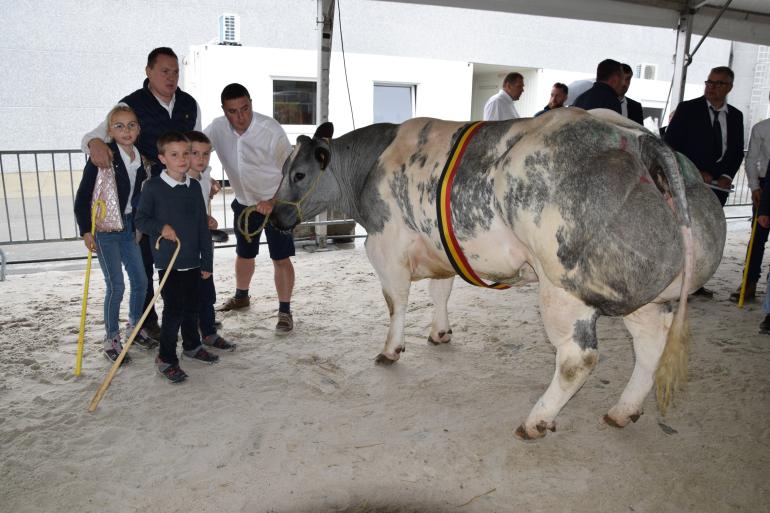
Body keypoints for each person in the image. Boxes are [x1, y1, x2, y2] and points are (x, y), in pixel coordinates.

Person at [81, 47, 202, 341]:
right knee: (144, 265)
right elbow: (93, 137)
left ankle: (188, 317)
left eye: (175, 71)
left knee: (184, 257)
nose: (171, 77)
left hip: (182, 193)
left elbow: (197, 149)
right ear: (148, 71)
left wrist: (201, 190)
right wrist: (95, 144)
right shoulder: (131, 104)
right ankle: (147, 322)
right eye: (164, 71)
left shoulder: (189, 104)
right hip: (146, 200)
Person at [204, 83, 296, 334]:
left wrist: (273, 201)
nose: (240, 117)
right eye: (233, 111)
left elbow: (291, 173)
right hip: (244, 203)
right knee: (244, 253)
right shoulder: (216, 127)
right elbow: (196, 151)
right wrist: (206, 177)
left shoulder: (270, 130)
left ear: (251, 103)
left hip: (276, 204)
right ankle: (241, 297)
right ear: (224, 111)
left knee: (280, 258)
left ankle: (285, 311)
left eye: (245, 108)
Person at [74, 105, 156, 364]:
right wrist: (86, 230)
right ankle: (111, 338)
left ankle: (134, 327)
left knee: (141, 281)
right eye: (119, 126)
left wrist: (140, 227)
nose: (126, 130)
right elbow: (83, 197)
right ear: (109, 131)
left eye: (131, 125)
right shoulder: (102, 159)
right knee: (116, 285)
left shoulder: (142, 160)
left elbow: (141, 198)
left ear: (138, 128)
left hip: (130, 227)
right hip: (106, 230)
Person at [135, 131, 218, 383]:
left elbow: (203, 228)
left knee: (192, 307)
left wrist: (207, 262)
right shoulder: (152, 187)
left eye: (186, 153)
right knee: (174, 311)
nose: (182, 159)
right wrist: (161, 227)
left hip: (194, 260)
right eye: (174, 154)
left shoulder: (194, 187)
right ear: (162, 158)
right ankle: (166, 358)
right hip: (169, 261)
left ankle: (192, 346)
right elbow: (141, 220)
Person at [665, 66, 745, 298]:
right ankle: (675, 280)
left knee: (705, 234)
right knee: (682, 231)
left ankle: (696, 281)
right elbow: (670, 144)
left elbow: (736, 151)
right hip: (689, 183)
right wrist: (695, 171)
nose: (711, 87)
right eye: (709, 82)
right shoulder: (688, 109)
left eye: (718, 83)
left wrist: (727, 176)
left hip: (717, 188)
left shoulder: (736, 116)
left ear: (729, 87)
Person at [185, 130, 236, 350]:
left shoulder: (203, 177)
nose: (201, 159)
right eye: (195, 153)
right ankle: (191, 342)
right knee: (188, 296)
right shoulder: (178, 181)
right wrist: (202, 218)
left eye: (206, 154)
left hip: (203, 245)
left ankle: (208, 332)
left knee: (207, 290)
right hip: (184, 250)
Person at [729, 91, 770, 303]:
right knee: (757, 238)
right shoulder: (762, 128)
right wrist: (754, 187)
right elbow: (751, 159)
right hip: (764, 188)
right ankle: (749, 282)